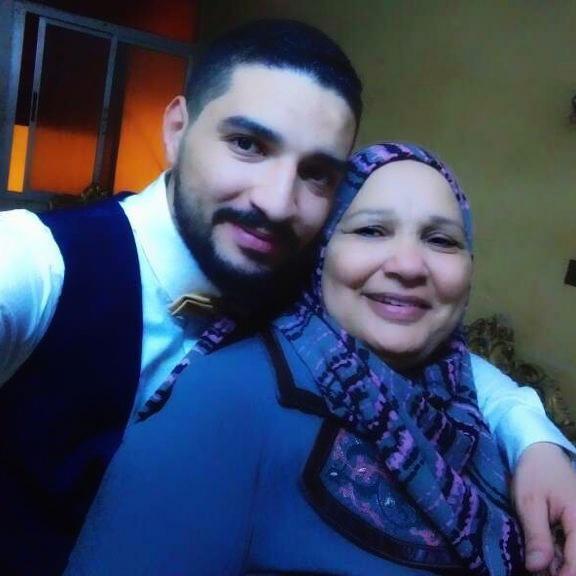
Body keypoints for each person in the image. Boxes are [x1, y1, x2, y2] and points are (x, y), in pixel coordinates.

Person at [0, 18, 572, 576]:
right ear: (176, 128)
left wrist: (534, 439)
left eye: (317, 173)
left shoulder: (295, 275)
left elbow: (434, 356)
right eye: (247, 144)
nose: (276, 203)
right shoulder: (35, 264)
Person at [66, 143, 576, 576]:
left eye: (441, 240)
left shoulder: (469, 400)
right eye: (371, 230)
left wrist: (537, 441)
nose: (407, 265)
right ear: (322, 252)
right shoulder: (220, 401)